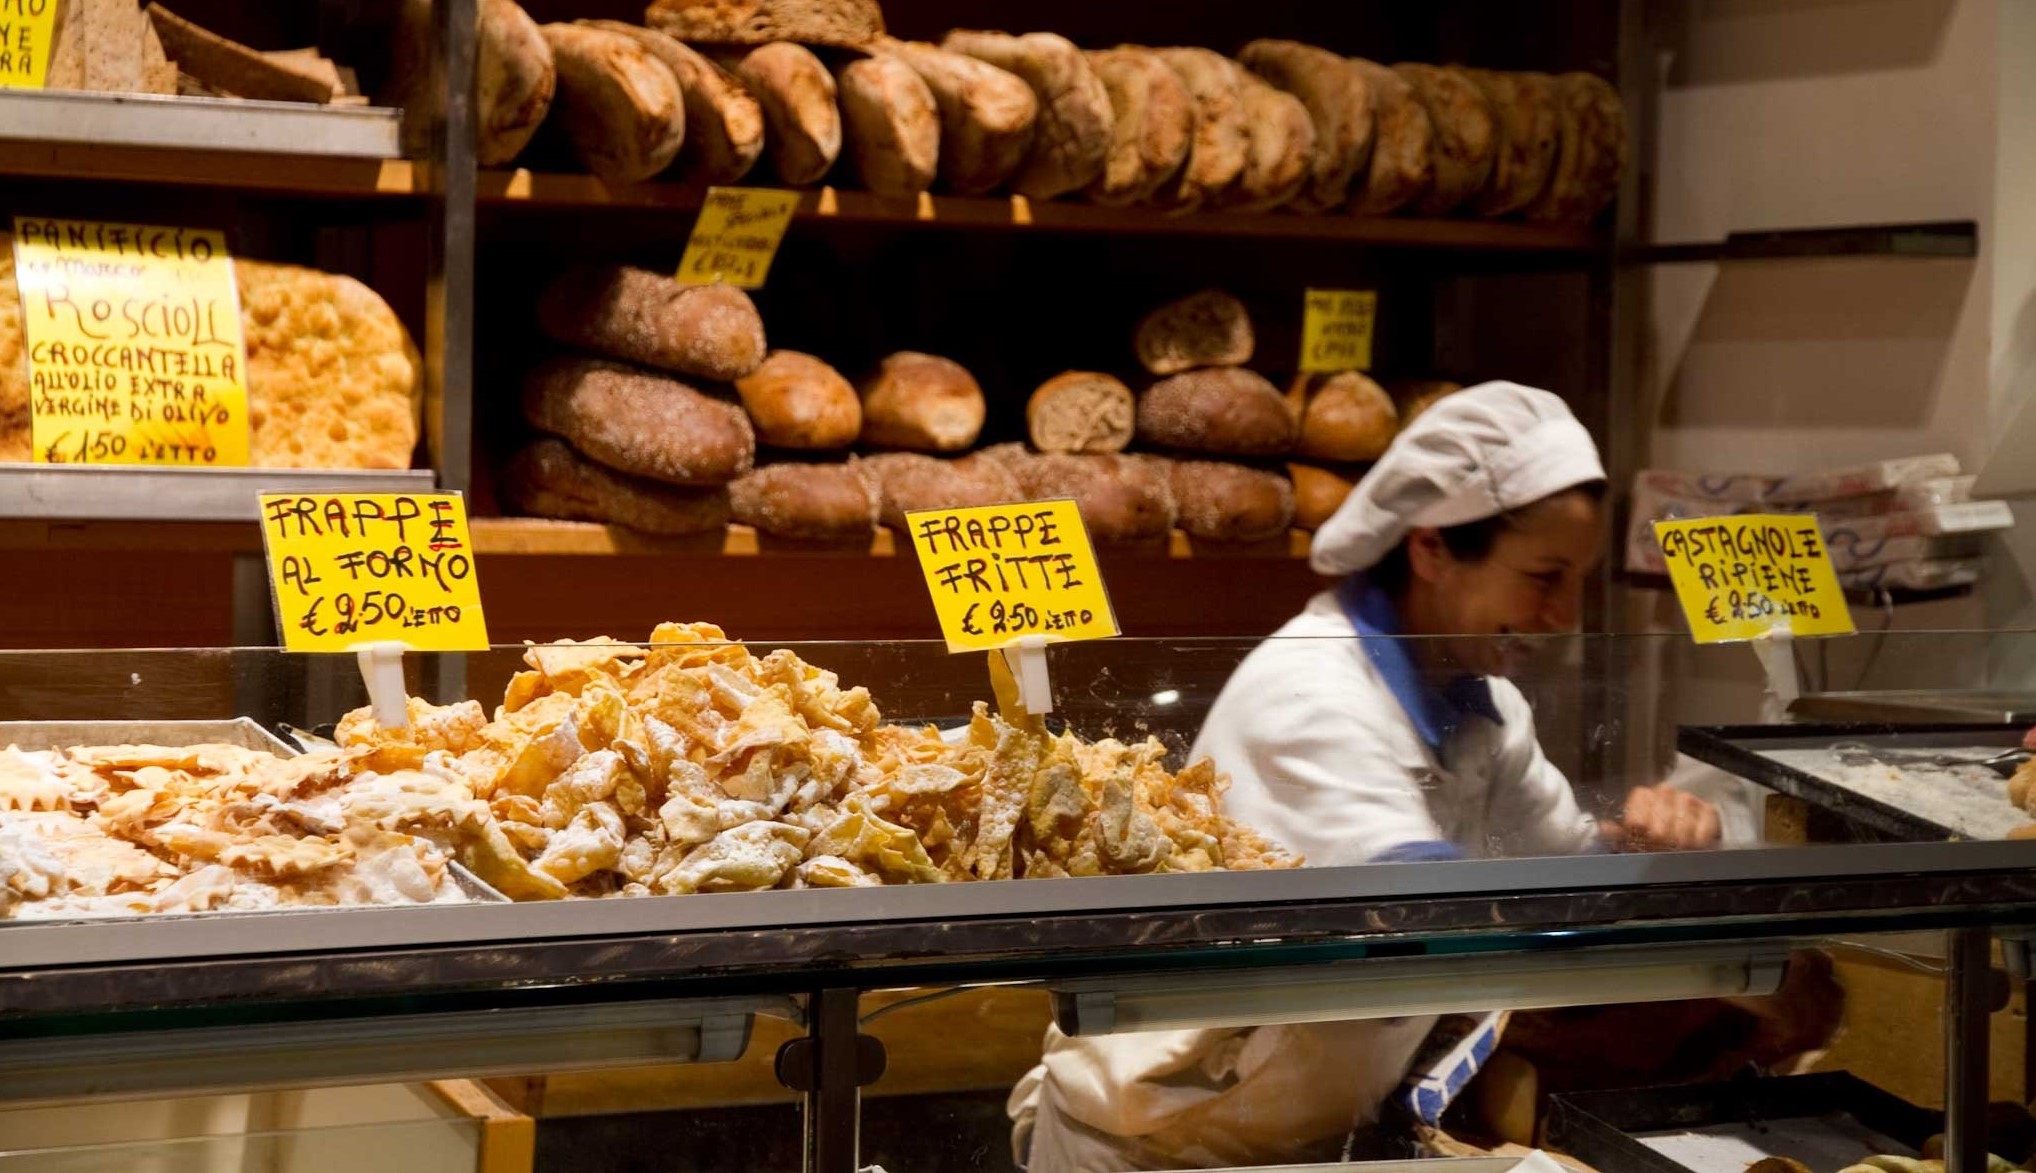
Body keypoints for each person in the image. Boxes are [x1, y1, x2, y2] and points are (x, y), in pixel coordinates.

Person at [1008, 381, 1723, 1171]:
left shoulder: (1488, 707)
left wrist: (1645, 845)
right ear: (1432, 548)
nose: (1564, 616)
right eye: (1544, 576)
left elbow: (1562, 873)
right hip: (1154, 1143)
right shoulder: (1310, 693)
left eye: (1578, 580)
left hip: (1303, 1131)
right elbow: (1423, 923)